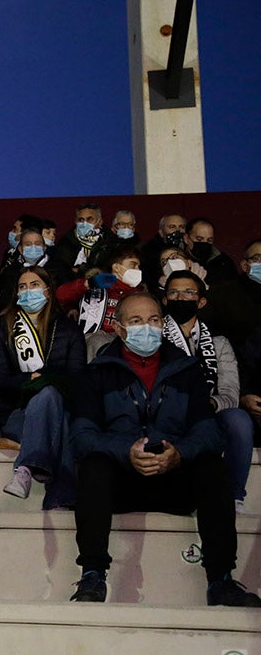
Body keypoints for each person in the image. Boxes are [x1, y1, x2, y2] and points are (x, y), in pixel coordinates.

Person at [69, 293, 260, 606]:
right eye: (136, 321)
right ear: (119, 329)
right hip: (122, 480)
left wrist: (179, 453)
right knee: (94, 466)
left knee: (211, 465)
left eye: (154, 320)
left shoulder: (186, 369)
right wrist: (126, 451)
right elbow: (81, 436)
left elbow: (209, 432)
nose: (148, 327)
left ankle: (221, 580)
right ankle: (92, 575)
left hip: (174, 477)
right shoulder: (97, 373)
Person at [0, 266, 85, 509]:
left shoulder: (70, 330)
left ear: (48, 291)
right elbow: (0, 381)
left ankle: (24, 471)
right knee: (53, 406)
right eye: (22, 287)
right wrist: (31, 379)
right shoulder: (3, 327)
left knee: (51, 397)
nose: (28, 291)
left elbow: (77, 380)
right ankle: (61, 496)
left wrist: (43, 379)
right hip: (17, 414)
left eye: (34, 285)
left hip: (62, 410)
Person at [161, 271, 253, 513]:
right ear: (164, 299)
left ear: (201, 302)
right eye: (174, 293)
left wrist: (208, 404)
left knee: (239, 419)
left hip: (209, 410)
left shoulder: (219, 343)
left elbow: (231, 393)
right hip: (166, 411)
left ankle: (234, 496)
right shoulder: (155, 337)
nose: (181, 298)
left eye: (189, 293)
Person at [199, 238, 261, 441]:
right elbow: (216, 347)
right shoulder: (223, 295)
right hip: (238, 388)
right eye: (257, 258)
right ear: (244, 265)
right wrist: (244, 394)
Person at [56, 244, 146, 359]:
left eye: (139, 266)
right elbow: (60, 296)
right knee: (98, 341)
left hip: (128, 338)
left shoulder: (140, 293)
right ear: (116, 267)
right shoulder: (96, 285)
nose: (138, 270)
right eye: (133, 265)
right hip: (95, 339)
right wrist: (88, 284)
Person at [183, 217, 238, 288]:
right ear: (186, 238)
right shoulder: (176, 258)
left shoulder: (224, 263)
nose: (204, 243)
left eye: (209, 240)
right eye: (199, 239)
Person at [141, 213, 187, 290]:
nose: (177, 230)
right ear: (161, 232)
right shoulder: (148, 253)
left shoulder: (189, 249)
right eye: (172, 227)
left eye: (181, 227)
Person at [59, 203, 104, 275]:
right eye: (81, 219)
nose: (84, 223)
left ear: (100, 222)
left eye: (90, 219)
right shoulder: (65, 242)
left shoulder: (109, 243)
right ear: (76, 222)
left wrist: (81, 270)